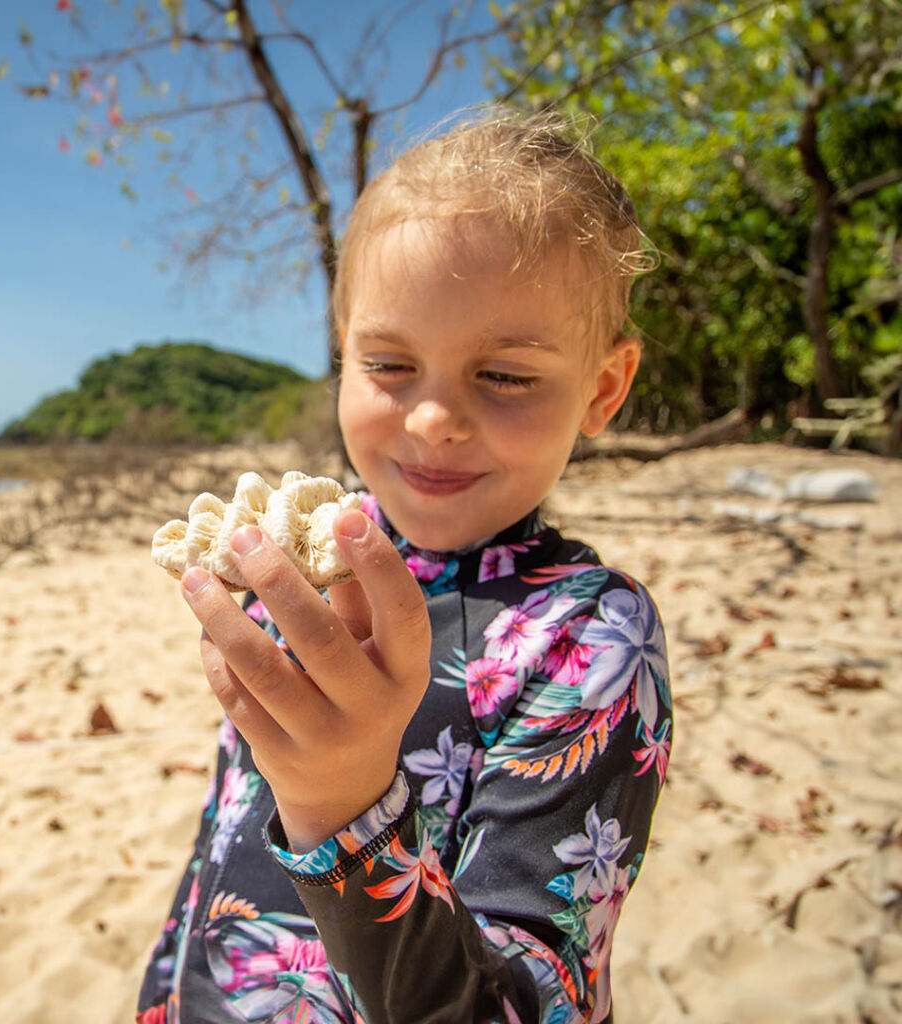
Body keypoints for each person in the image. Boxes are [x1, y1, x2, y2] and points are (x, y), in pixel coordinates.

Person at [137, 107, 672, 1024]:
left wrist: (345, 804)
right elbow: (224, 838)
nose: (432, 419)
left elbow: (528, 1001)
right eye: (388, 363)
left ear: (603, 388)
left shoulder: (589, 637)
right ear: (343, 355)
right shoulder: (300, 577)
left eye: (504, 375)